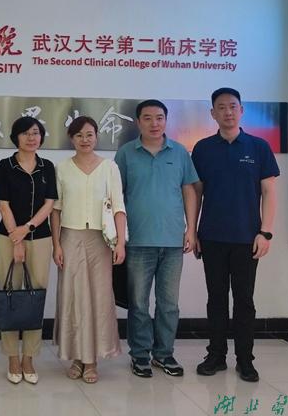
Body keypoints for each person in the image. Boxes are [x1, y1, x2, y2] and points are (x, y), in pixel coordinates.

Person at [191, 88, 279, 382]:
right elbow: (196, 193)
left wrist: (266, 232)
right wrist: (193, 230)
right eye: (221, 107)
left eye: (232, 106)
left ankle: (245, 360)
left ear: (242, 110)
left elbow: (269, 192)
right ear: (212, 113)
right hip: (212, 237)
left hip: (247, 238)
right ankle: (215, 356)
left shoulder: (258, 147)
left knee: (244, 301)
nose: (227, 112)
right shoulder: (203, 149)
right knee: (216, 299)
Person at [114, 100, 198, 379]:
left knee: (169, 304)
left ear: (166, 120)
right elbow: (115, 196)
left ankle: (164, 354)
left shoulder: (179, 152)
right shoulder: (126, 153)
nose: (154, 123)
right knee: (138, 303)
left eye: (159, 117)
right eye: (148, 118)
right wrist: (119, 237)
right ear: (138, 122)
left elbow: (189, 190)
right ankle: (140, 355)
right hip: (138, 241)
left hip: (173, 241)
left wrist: (191, 229)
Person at [52, 115, 126, 384]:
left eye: (89, 134)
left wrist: (120, 242)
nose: (85, 140)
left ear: (96, 137)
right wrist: (56, 244)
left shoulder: (109, 167)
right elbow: (56, 210)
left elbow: (118, 207)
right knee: (72, 297)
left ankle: (92, 359)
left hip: (101, 240)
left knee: (99, 297)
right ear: (71, 139)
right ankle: (75, 356)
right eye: (79, 135)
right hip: (70, 237)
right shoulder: (62, 168)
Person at [0, 116, 57, 384]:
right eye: (25, 133)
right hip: (8, 238)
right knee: (9, 294)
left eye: (36, 133)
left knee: (35, 297)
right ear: (16, 137)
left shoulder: (47, 167)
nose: (31, 138)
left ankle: (29, 357)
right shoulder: (4, 166)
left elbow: (49, 203)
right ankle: (12, 356)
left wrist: (28, 228)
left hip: (40, 238)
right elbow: (3, 204)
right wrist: (17, 240)